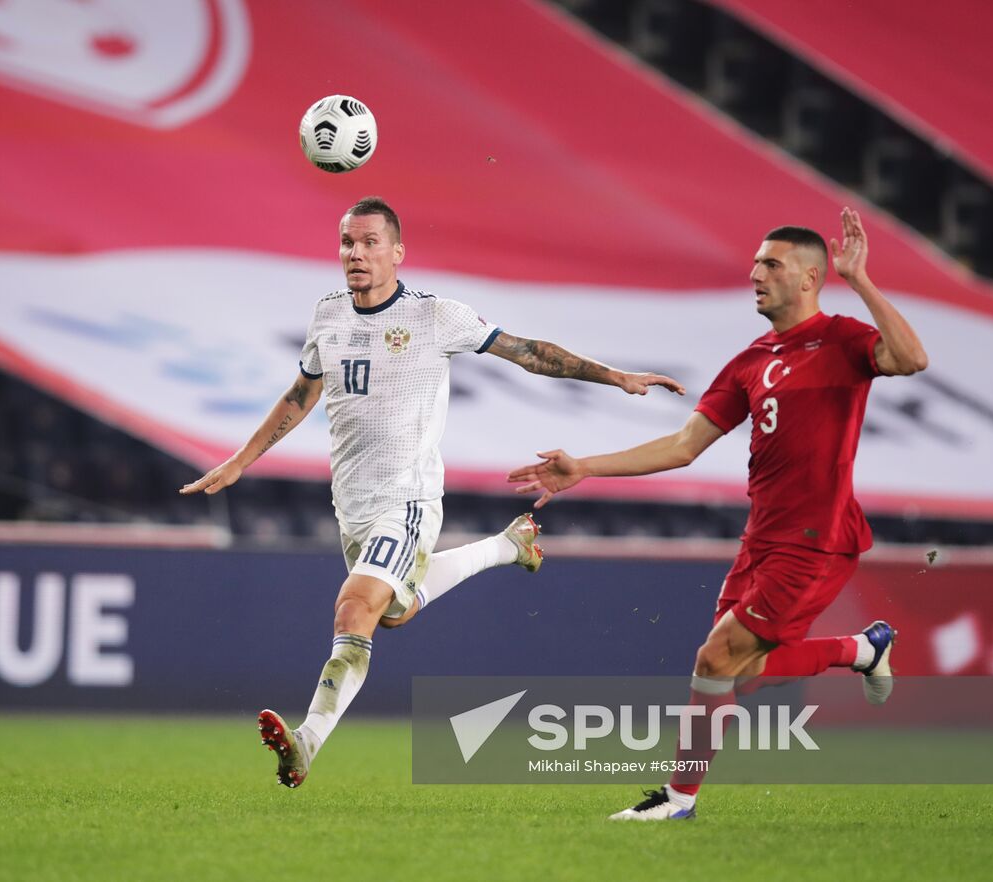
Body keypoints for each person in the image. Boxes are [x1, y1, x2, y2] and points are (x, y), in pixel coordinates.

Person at [181, 196, 686, 787]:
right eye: (348, 242)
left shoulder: (433, 316)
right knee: (389, 613)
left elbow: (529, 353)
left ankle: (307, 741)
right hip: (354, 504)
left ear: (398, 252)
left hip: (409, 499)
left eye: (370, 242)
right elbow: (302, 392)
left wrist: (614, 375)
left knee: (354, 606)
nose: (356, 254)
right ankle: (508, 545)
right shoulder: (327, 316)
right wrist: (243, 459)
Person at [508, 208, 928, 820]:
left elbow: (912, 359)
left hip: (815, 539)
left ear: (811, 278)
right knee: (738, 674)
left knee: (714, 661)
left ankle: (677, 802)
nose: (755, 271)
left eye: (772, 263)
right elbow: (684, 446)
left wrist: (860, 280)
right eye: (756, 260)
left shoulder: (842, 339)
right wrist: (587, 467)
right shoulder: (750, 360)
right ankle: (860, 650)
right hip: (760, 537)